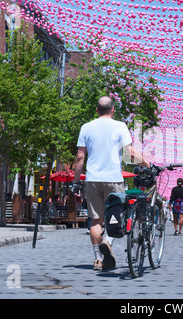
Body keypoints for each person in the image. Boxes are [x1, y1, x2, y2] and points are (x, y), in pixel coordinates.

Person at [72, 96, 150, 271]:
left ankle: (98, 259)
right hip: (114, 179)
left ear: (97, 110)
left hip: (92, 180)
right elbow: (130, 154)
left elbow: (80, 157)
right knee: (117, 215)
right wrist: (146, 164)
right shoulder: (120, 126)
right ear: (113, 110)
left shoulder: (86, 127)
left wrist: (76, 181)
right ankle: (108, 240)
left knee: (96, 221)